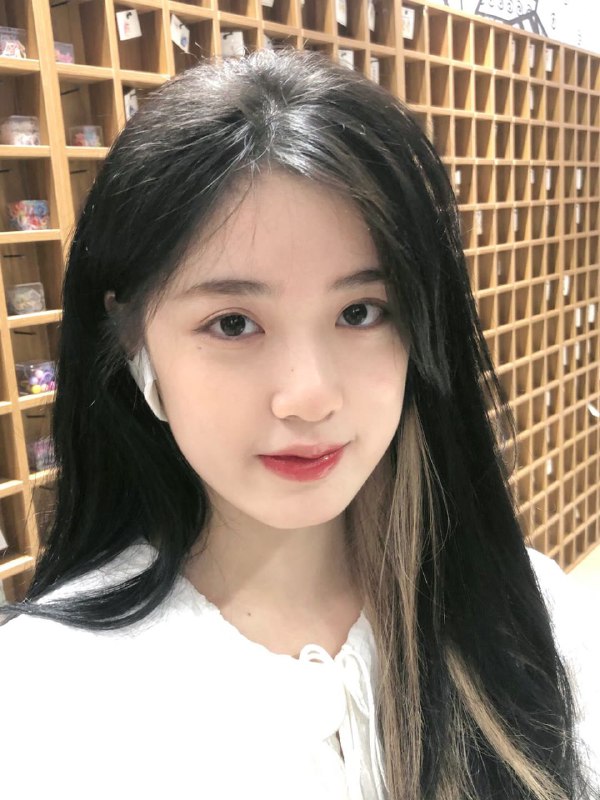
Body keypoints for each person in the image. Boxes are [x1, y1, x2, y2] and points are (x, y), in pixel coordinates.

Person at [0, 48, 598, 800]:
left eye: (361, 312)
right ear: (132, 341)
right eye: (233, 323)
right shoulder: (48, 697)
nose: (308, 397)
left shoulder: (526, 608)